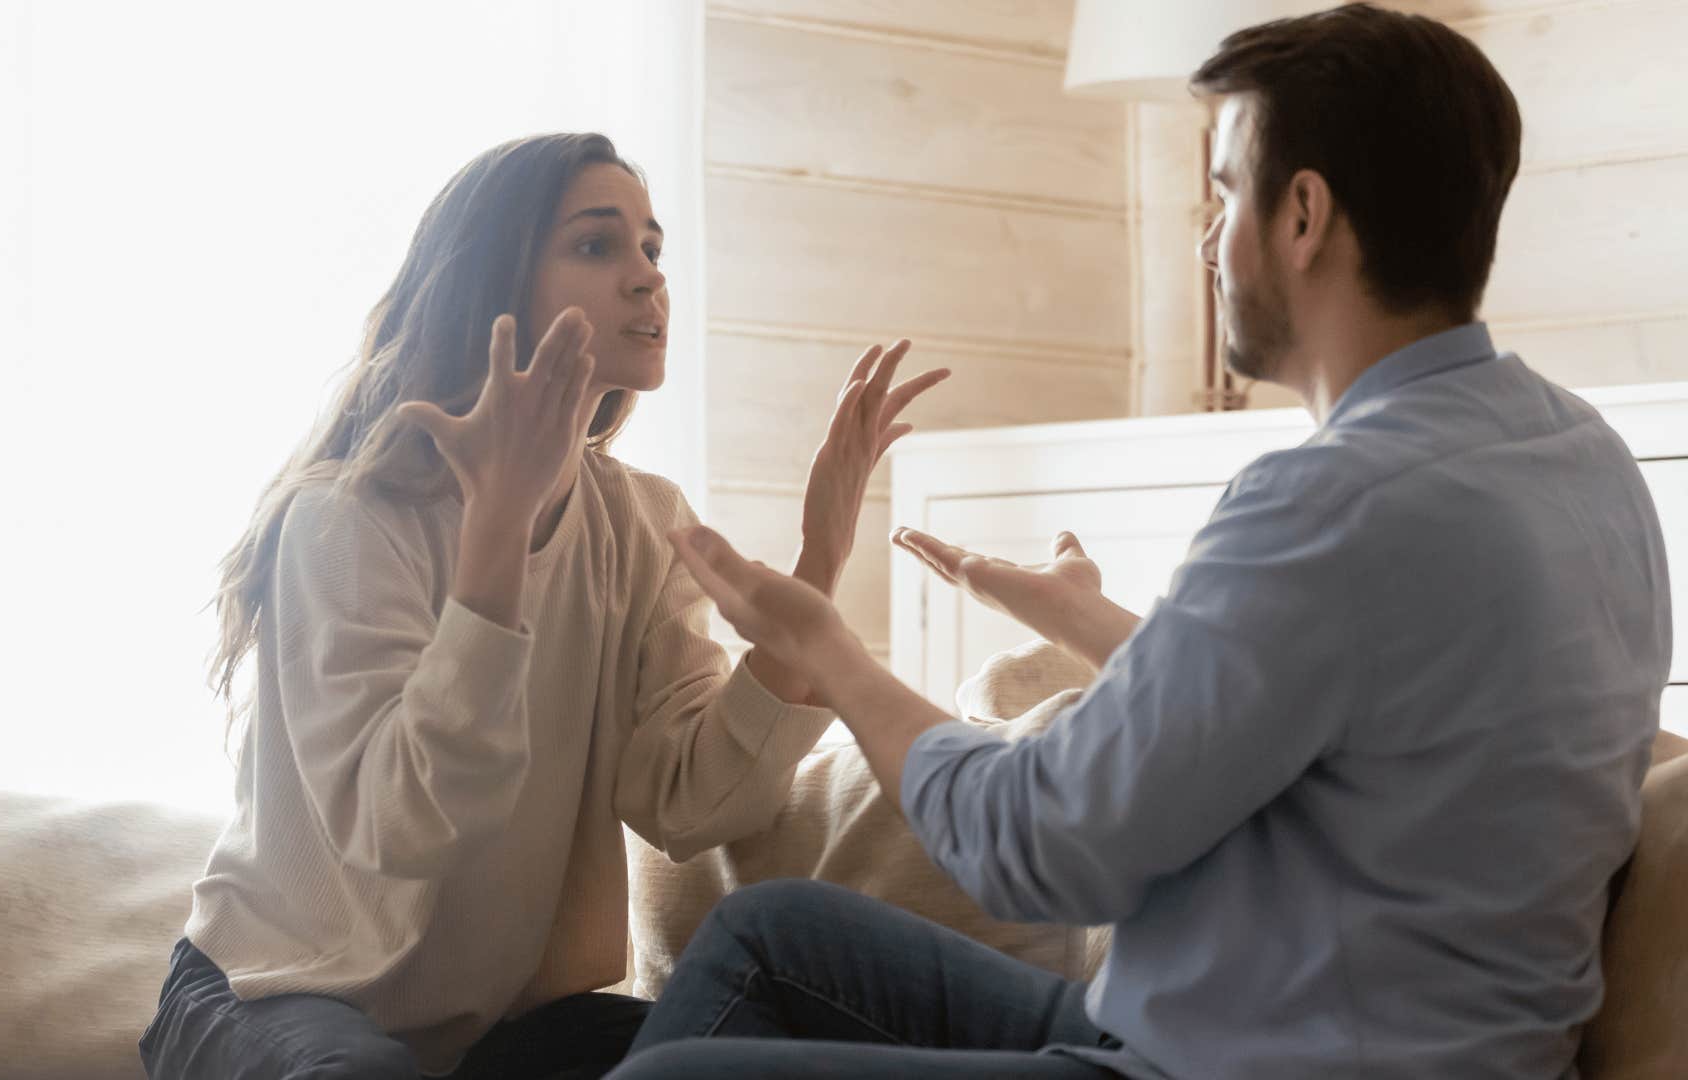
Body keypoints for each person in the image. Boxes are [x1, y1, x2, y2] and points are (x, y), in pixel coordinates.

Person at [614, 6, 1672, 1079]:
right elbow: (1342, 718)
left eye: (1222, 192)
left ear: (1303, 213)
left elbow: (1033, 846)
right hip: (1256, 1029)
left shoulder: (1334, 500)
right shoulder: (1583, 460)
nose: (1210, 239)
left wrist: (833, 655)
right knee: (774, 936)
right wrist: (1088, 620)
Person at [135, 132, 948, 1080]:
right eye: (599, 246)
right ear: (494, 285)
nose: (648, 279)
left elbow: (688, 801)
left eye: (652, 248)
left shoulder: (642, 522)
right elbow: (407, 828)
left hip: (500, 1036)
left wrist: (820, 561)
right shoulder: (346, 518)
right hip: (275, 995)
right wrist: (499, 535)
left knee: (757, 1050)